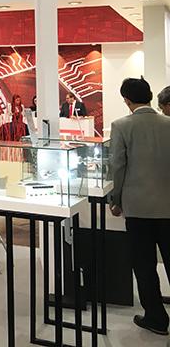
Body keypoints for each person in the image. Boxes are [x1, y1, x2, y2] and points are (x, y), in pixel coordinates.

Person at [109, 77, 170, 336]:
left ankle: (156, 318)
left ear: (126, 100)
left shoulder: (121, 126)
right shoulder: (168, 123)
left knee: (144, 266)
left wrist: (115, 199)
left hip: (138, 208)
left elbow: (117, 166)